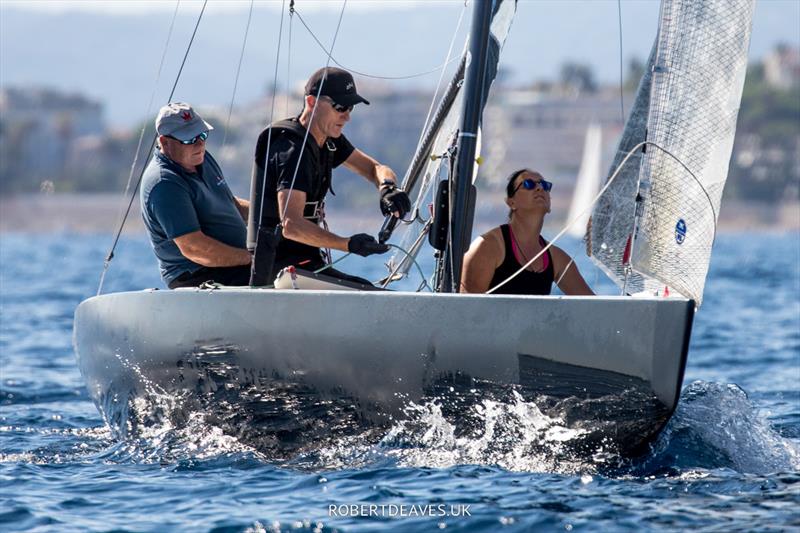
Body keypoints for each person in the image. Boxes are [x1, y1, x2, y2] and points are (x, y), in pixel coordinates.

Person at [250, 67, 410, 285]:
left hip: (306, 262)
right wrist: (348, 244)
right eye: (340, 107)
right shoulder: (292, 150)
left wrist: (388, 188)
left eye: (351, 107)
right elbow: (291, 224)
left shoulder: (329, 139)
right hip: (278, 268)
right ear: (311, 102)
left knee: (366, 291)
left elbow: (375, 168)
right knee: (366, 293)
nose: (347, 116)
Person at [141, 102, 251, 289]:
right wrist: (251, 259)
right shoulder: (164, 183)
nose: (199, 143)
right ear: (164, 142)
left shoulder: (201, 158)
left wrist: (275, 213)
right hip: (197, 275)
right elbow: (194, 248)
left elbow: (229, 204)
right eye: (188, 139)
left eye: (202, 134)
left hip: (236, 266)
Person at [461, 169, 594, 296]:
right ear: (511, 202)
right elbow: (467, 310)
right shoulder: (488, 246)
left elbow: (594, 308)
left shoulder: (557, 258)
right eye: (528, 184)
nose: (540, 188)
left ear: (549, 206)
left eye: (545, 185)